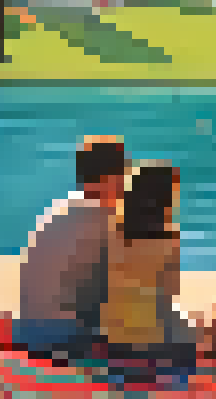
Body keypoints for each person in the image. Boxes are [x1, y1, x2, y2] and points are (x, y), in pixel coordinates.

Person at [16, 135, 130, 360]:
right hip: (62, 338)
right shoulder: (101, 219)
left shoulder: (63, 208)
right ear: (110, 178)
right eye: (122, 175)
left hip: (28, 331)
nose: (124, 184)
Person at [98, 162, 199, 368]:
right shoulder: (169, 240)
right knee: (188, 335)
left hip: (112, 342)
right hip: (150, 346)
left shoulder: (112, 232)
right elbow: (170, 293)